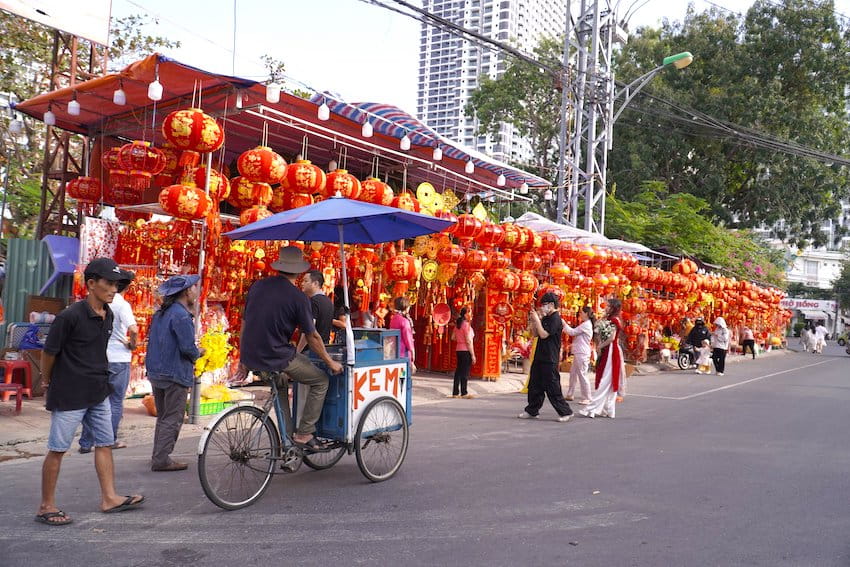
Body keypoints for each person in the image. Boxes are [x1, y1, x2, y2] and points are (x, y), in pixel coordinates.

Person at [36, 257, 145, 526]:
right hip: (71, 392)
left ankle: (109, 497)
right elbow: (49, 354)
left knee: (105, 443)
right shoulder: (70, 316)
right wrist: (47, 382)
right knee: (58, 448)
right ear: (91, 284)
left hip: (98, 390)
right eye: (109, 283)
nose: (113, 289)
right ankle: (46, 505)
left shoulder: (107, 314)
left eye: (117, 284)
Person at [236, 247, 343, 450]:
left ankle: (287, 441)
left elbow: (244, 323)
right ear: (298, 271)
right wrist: (330, 362)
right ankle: (304, 433)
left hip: (253, 354)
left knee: (282, 383)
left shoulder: (258, 286)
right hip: (277, 355)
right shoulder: (298, 297)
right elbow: (311, 336)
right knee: (321, 380)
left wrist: (243, 357)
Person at [145, 274, 204, 472]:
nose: (196, 291)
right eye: (194, 288)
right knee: (173, 417)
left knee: (164, 416)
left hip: (157, 371)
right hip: (174, 372)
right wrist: (200, 353)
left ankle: (158, 455)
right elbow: (188, 348)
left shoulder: (161, 313)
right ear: (187, 291)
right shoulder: (180, 315)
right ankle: (161, 459)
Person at [79, 273, 138, 454]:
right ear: (126, 287)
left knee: (94, 400)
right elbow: (133, 329)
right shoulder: (122, 304)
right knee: (115, 401)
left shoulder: (97, 301)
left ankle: (86, 442)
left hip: (99, 357)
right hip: (119, 359)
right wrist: (132, 344)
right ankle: (109, 439)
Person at [518, 292, 572, 422]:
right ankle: (532, 410)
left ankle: (565, 411)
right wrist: (534, 321)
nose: (542, 307)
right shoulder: (546, 318)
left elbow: (544, 335)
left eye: (544, 305)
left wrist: (537, 319)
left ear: (552, 305)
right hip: (540, 355)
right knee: (534, 384)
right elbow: (537, 334)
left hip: (550, 357)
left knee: (552, 385)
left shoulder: (555, 318)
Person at [579, 298, 625, 419]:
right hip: (608, 351)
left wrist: (600, 345)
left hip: (611, 351)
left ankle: (593, 408)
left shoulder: (614, 320)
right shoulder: (609, 320)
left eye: (608, 306)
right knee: (608, 381)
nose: (606, 307)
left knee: (606, 381)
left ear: (613, 308)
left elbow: (611, 338)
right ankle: (608, 409)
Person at [563, 306, 595, 404]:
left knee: (582, 374)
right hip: (579, 351)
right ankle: (570, 393)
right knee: (573, 373)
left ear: (586, 313)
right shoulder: (585, 324)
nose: (580, 314)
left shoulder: (586, 325)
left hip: (582, 352)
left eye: (581, 312)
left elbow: (572, 332)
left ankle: (587, 397)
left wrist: (564, 323)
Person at [298, 270, 334, 349]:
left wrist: (298, 351)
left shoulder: (313, 302)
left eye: (306, 281)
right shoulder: (328, 301)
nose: (302, 283)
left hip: (311, 351)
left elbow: (309, 331)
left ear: (315, 284)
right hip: (324, 348)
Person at [451, 306, 476, 399]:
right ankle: (464, 392)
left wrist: (460, 340)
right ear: (465, 314)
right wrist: (473, 355)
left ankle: (455, 392)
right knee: (465, 372)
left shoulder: (458, 324)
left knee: (458, 371)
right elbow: (469, 341)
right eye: (469, 313)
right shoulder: (466, 325)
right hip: (466, 350)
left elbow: (453, 337)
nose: (471, 315)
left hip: (459, 349)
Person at [389, 296, 417, 374]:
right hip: (403, 353)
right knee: (403, 377)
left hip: (394, 351)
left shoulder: (394, 318)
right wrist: (412, 354)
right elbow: (408, 340)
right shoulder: (404, 321)